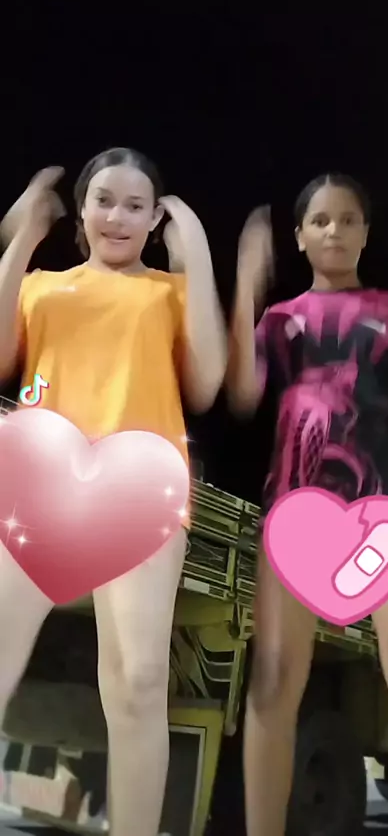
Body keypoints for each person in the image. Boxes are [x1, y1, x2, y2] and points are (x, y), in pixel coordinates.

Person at [226, 173, 388, 836]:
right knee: (274, 678)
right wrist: (246, 288)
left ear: (365, 232)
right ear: (300, 237)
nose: (335, 230)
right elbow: (243, 395)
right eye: (321, 220)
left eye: (349, 219)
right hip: (295, 508)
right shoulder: (281, 320)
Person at [0, 148, 227, 836]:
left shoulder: (170, 292)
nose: (117, 217)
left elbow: (206, 384)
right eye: (103, 200)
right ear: (82, 210)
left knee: (138, 682)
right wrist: (21, 243)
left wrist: (197, 250)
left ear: (155, 220)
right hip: (38, 486)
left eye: (135, 206)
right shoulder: (40, 286)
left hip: (141, 488)